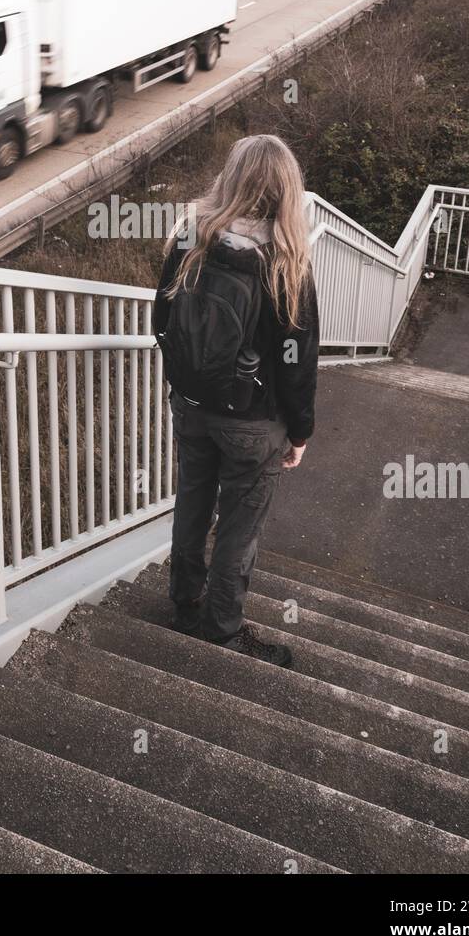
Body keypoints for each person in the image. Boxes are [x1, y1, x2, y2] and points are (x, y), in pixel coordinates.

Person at [153, 134, 319, 665]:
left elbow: (163, 320)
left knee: (193, 504)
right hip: (252, 420)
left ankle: (183, 607)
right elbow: (296, 360)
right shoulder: (286, 261)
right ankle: (221, 631)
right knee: (238, 528)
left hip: (193, 407)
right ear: (288, 191)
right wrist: (299, 432)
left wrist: (184, 387)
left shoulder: (191, 235)